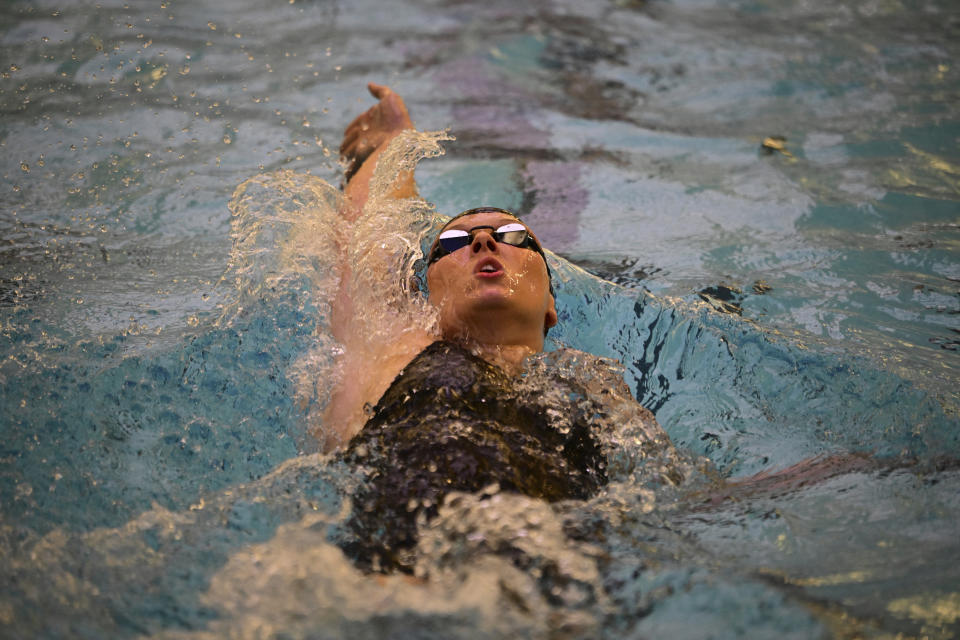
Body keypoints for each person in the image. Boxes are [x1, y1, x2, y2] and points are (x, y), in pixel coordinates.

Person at [325, 83, 678, 572]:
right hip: (394, 571)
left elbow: (667, 501)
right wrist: (394, 145)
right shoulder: (398, 350)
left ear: (551, 303)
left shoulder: (597, 387)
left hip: (548, 580)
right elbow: (368, 237)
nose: (485, 240)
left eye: (513, 235)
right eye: (452, 241)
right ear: (430, 293)